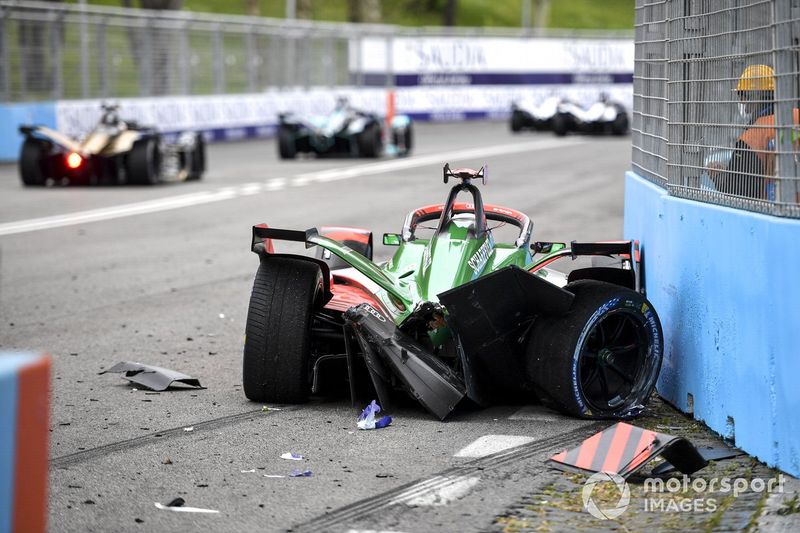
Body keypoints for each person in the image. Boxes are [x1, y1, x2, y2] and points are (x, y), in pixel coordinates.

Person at [713, 65, 799, 199]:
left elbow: (738, 189)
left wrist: (717, 175)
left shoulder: (752, 137)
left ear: (756, 96)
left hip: (772, 212)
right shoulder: (796, 117)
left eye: (742, 95)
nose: (741, 101)